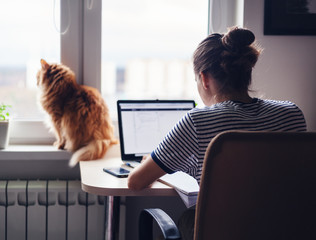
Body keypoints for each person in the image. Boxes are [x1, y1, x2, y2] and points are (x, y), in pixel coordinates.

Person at [127, 27, 307, 239]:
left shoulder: (197, 121)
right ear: (247, 71)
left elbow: (136, 182)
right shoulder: (291, 113)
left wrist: (154, 162)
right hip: (284, 230)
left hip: (225, 232)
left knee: (187, 219)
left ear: (204, 79)